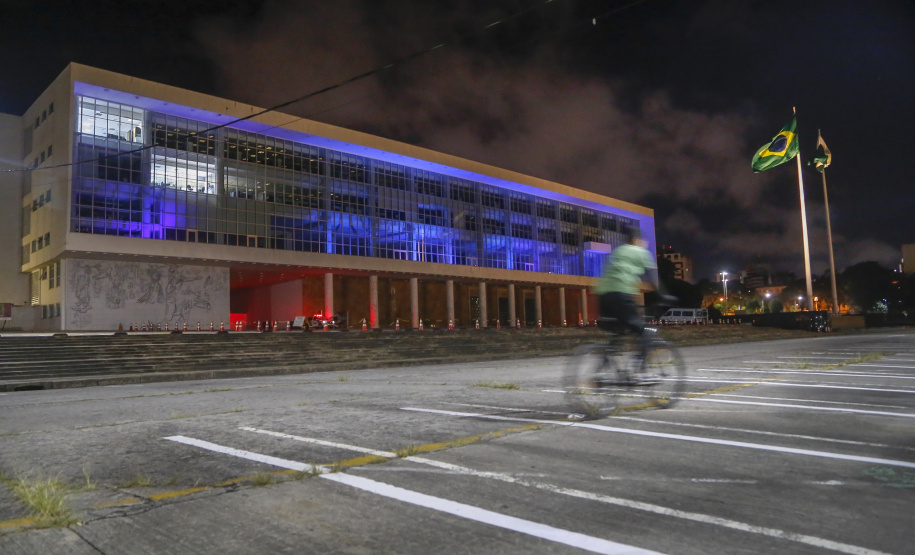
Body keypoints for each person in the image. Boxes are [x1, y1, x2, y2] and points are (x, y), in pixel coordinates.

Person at [595, 231, 656, 341]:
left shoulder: (618, 250)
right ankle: (643, 356)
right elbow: (652, 275)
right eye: (643, 242)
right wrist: (660, 294)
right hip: (621, 293)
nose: (645, 244)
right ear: (636, 240)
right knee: (641, 328)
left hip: (603, 295)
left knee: (621, 327)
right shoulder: (640, 251)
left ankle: (609, 353)